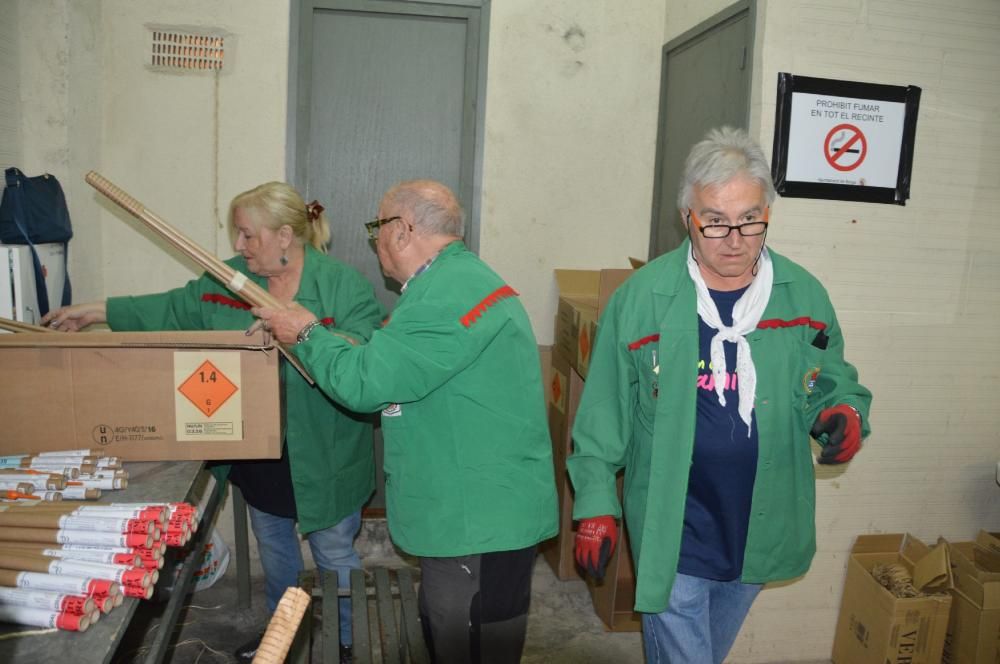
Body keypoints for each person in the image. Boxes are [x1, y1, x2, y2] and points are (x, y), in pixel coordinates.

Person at [42, 181, 385, 664]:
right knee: (275, 546)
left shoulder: (341, 285)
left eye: (248, 236)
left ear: (285, 235)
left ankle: (347, 641)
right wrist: (95, 312)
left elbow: (369, 353)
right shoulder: (228, 283)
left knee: (333, 555)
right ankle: (280, 638)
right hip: (262, 450)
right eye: (238, 237)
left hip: (326, 450)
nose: (239, 248)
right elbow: (170, 307)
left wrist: (300, 328)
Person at [567, 126, 872, 664]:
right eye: (715, 221)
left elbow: (830, 379)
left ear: (767, 214)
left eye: (750, 219)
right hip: (675, 528)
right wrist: (596, 504)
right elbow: (604, 415)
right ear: (688, 216)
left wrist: (843, 411)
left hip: (759, 526)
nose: (734, 239)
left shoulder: (802, 295)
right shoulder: (644, 301)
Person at [251, 179, 558, 664]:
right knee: (447, 637)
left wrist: (305, 331)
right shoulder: (450, 285)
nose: (375, 242)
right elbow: (399, 361)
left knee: (466, 646)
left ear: (401, 229)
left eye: (377, 227)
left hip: (475, 524)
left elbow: (366, 384)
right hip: (471, 515)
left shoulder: (446, 295)